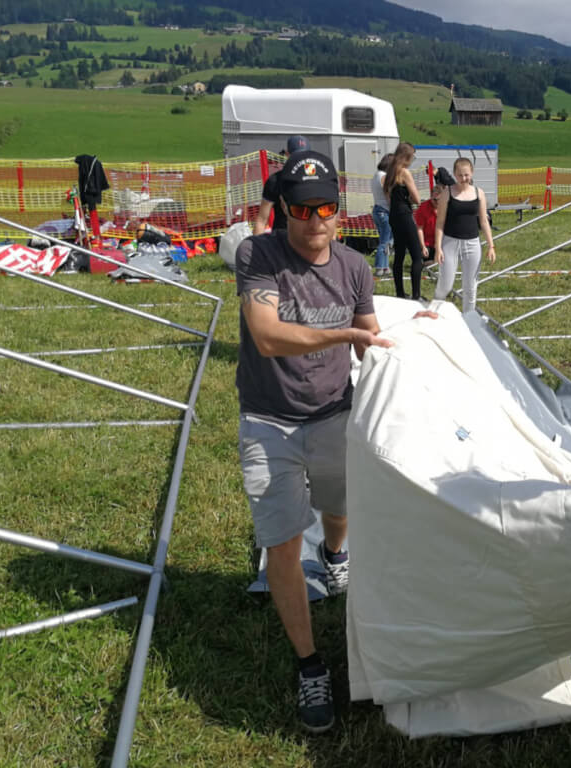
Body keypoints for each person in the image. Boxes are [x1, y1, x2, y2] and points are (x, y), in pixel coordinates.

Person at [234, 149, 393, 733]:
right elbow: (268, 336)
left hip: (332, 413)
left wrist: (408, 340)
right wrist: (346, 331)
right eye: (303, 209)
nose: (317, 219)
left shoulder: (356, 266)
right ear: (284, 210)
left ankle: (333, 556)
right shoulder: (258, 254)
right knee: (279, 541)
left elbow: (370, 340)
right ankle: (310, 666)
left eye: (327, 206)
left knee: (338, 503)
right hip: (268, 419)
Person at [433, 157, 496, 314]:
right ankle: (433, 312)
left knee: (470, 287)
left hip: (472, 243)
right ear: (454, 174)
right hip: (450, 242)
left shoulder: (479, 193)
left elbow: (483, 221)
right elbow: (440, 222)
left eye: (466, 175)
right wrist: (438, 247)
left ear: (472, 174)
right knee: (445, 285)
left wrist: (491, 245)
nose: (463, 179)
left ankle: (468, 319)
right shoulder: (447, 194)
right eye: (460, 175)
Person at [384, 141, 425, 301]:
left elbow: (388, 198)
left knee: (399, 255)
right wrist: (408, 197)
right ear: (406, 157)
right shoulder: (405, 172)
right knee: (416, 256)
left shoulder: (390, 173)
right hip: (404, 214)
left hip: (393, 215)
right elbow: (417, 198)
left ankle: (400, 293)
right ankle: (416, 295)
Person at [253, 135, 310, 235]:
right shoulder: (275, 180)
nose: (300, 160)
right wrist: (257, 248)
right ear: (287, 154)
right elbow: (262, 219)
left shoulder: (317, 179)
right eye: (296, 156)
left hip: (307, 238)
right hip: (281, 239)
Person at [371, 153, 393, 277]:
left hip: (377, 210)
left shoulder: (376, 175)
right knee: (385, 241)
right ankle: (380, 267)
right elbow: (388, 196)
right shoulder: (384, 176)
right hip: (385, 211)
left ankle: (385, 267)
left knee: (384, 240)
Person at [414, 180, 443, 264]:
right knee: (428, 262)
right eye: (434, 199)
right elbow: (419, 229)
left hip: (442, 241)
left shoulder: (446, 207)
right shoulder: (423, 208)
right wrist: (423, 246)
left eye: (439, 199)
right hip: (427, 242)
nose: (437, 202)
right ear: (430, 197)